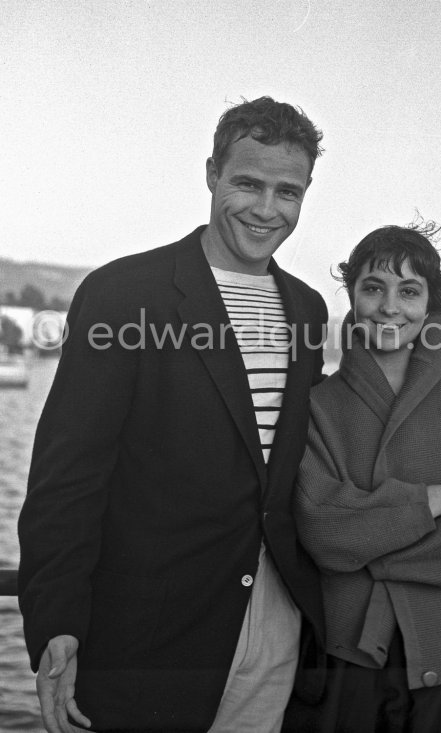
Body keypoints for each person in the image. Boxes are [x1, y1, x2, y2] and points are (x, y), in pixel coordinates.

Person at [17, 96, 328, 733]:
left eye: (287, 191)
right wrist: (57, 622)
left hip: (275, 633)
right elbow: (67, 477)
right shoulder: (123, 293)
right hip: (145, 642)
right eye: (247, 183)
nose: (266, 209)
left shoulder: (308, 309)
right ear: (211, 173)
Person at [286, 222, 441, 732]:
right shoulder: (318, 407)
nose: (390, 306)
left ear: (432, 304)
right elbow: (324, 534)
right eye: (374, 288)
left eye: (409, 290)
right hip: (351, 658)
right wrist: (430, 503)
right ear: (352, 296)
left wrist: (366, 547)